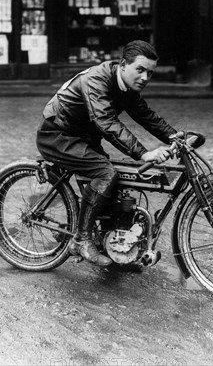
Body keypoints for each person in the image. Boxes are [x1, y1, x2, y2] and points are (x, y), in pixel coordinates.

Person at [36, 40, 177, 267]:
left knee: (118, 178)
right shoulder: (96, 79)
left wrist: (177, 137)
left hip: (82, 138)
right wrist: (143, 154)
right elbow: (105, 122)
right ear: (123, 64)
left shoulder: (128, 88)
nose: (145, 78)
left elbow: (147, 116)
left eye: (150, 73)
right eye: (139, 70)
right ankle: (81, 239)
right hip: (57, 136)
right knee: (106, 173)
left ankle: (115, 244)